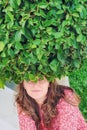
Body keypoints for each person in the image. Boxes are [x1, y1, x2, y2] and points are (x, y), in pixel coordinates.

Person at [16, 77, 87, 130]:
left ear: (49, 83)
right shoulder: (22, 101)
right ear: (23, 84)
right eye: (29, 79)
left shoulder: (65, 97)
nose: (36, 85)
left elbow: (68, 127)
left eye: (41, 79)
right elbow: (28, 127)